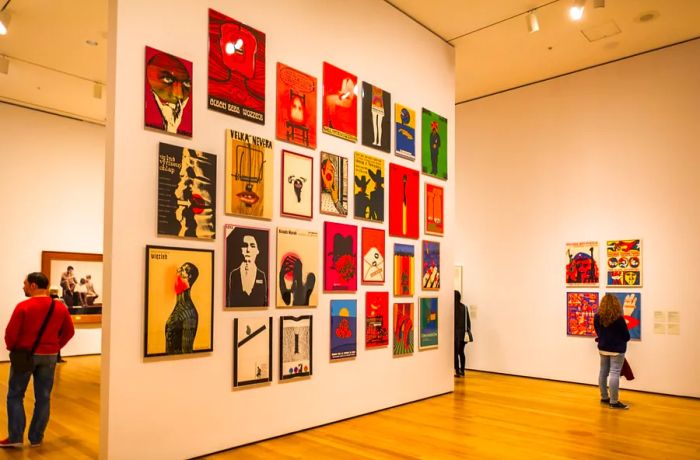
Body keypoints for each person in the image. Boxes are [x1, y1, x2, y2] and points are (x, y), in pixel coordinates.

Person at [1, 272, 75, 448]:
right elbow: (69, 331)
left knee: (15, 395)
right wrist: (55, 347)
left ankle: (16, 437)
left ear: (33, 286)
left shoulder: (23, 306)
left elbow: (11, 333)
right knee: (43, 397)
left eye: (25, 284)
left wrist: (13, 348)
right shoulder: (59, 307)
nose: (23, 287)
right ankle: (36, 438)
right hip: (49, 357)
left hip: (25, 355)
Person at [594, 293, 631, 409]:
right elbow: (627, 336)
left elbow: (598, 331)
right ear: (616, 305)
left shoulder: (597, 316)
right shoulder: (619, 319)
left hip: (603, 348)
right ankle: (614, 402)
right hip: (616, 349)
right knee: (614, 373)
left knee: (603, 372)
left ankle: (604, 397)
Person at [165, 263, 200, 354]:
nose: (179, 272)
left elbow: (187, 352)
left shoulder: (189, 313)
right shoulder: (180, 306)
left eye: (183, 270)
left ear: (189, 277)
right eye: (180, 269)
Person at [227, 233, 268, 307]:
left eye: (252, 246)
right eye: (245, 245)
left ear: (257, 251)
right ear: (240, 249)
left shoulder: (262, 275)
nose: (248, 249)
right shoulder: (234, 274)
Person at [454, 290, 471, 377]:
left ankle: (457, 371)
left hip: (455, 334)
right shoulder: (464, 307)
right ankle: (463, 370)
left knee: (455, 353)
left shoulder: (453, 308)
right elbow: (468, 322)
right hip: (463, 334)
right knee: (461, 352)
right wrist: (467, 332)